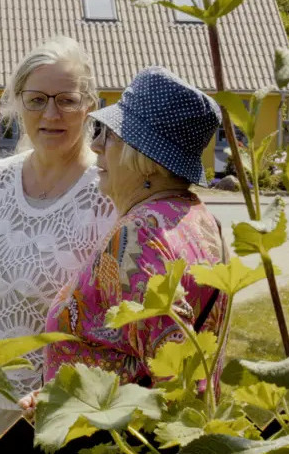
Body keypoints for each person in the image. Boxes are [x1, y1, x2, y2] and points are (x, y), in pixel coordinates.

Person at [0, 36, 115, 436]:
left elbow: (113, 323)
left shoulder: (107, 192)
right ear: (18, 102)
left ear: (89, 103)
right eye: (37, 99)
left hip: (52, 419)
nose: (51, 113)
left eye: (67, 100)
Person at [42, 66, 229, 387]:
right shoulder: (198, 218)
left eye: (109, 135)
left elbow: (173, 376)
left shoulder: (141, 235)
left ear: (146, 157)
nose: (96, 146)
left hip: (114, 433)